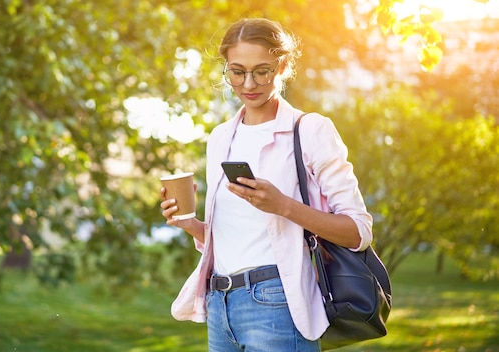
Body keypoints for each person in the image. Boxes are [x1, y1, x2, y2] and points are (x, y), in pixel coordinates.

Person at [159, 18, 373, 351]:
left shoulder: (310, 130)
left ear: (283, 66)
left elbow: (358, 232)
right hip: (220, 305)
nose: (248, 83)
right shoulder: (220, 138)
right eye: (236, 71)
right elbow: (240, 238)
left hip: (276, 303)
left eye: (262, 70)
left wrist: (284, 206)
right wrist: (191, 225)